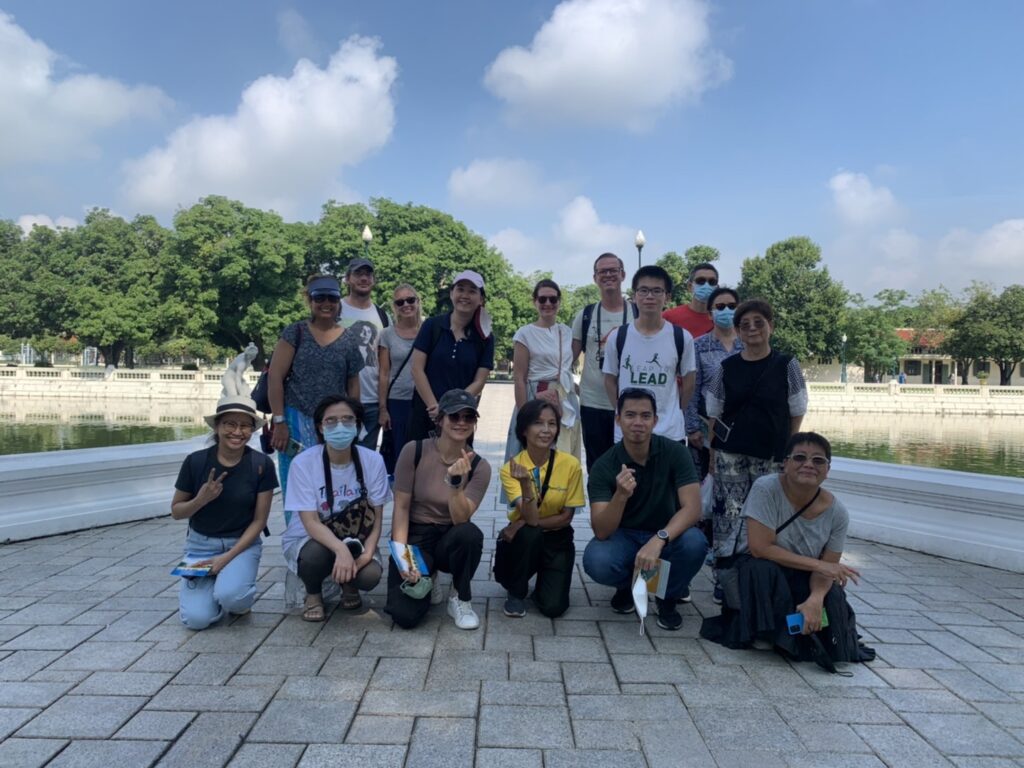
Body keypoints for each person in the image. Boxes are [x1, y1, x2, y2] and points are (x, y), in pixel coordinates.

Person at [700, 433, 874, 667]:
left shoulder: (838, 513)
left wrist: (816, 597)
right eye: (800, 457)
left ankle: (798, 630)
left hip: (800, 572)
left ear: (828, 469)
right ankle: (766, 632)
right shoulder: (766, 488)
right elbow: (760, 548)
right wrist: (820, 565)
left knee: (831, 596)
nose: (809, 465)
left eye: (818, 461)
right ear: (786, 463)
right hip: (758, 568)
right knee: (762, 570)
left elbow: (827, 570)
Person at [582, 389, 708, 631]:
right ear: (618, 419)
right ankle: (631, 586)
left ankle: (666, 595)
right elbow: (601, 530)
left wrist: (659, 539)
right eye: (630, 415)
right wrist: (620, 496)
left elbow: (693, 509)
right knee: (596, 560)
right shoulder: (604, 465)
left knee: (695, 542)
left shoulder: (675, 452)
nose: (638, 423)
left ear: (655, 421)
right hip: (624, 535)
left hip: (666, 534)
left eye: (645, 416)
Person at [705, 299, 808, 562]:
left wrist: (789, 450)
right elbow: (713, 413)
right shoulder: (726, 368)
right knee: (727, 517)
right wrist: (712, 456)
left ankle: (763, 573)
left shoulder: (787, 365)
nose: (752, 329)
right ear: (738, 331)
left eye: (758, 323)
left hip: (771, 455)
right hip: (731, 455)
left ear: (770, 326)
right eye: (745, 325)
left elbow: (797, 409)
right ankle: (726, 575)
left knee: (767, 516)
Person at [387, 389, 492, 630]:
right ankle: (428, 574)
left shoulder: (480, 467)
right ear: (440, 419)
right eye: (454, 416)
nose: (461, 422)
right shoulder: (414, 451)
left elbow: (461, 518)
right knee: (405, 616)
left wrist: (455, 483)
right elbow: (401, 508)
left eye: (469, 417)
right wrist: (405, 560)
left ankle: (459, 596)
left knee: (470, 534)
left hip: (450, 535)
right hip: (416, 536)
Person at [171, 396, 278, 630]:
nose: (237, 432)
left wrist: (225, 559)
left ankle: (231, 591)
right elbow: (177, 512)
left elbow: (259, 521)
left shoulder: (260, 465)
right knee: (196, 621)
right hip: (200, 545)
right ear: (217, 427)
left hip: (241, 546)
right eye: (230, 424)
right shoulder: (196, 462)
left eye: (245, 426)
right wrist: (201, 499)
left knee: (233, 598)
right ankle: (214, 592)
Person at [281, 394, 391, 621]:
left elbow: (377, 516)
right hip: (311, 539)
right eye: (331, 420)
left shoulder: (373, 461)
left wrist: (368, 552)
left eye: (348, 419)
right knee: (315, 556)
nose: (340, 426)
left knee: (369, 575)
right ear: (320, 427)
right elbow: (310, 522)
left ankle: (349, 584)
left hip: (357, 536)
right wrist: (341, 550)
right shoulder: (303, 463)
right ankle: (313, 593)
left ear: (358, 425)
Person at [267, 275, 363, 510]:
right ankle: (299, 538)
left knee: (333, 478)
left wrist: (353, 422)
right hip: (295, 418)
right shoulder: (295, 332)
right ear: (310, 300)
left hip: (333, 422)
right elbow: (275, 377)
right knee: (296, 478)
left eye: (332, 297)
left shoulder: (349, 339)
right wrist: (279, 421)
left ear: (339, 301)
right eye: (319, 298)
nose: (326, 303)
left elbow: (353, 385)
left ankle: (332, 532)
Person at [497, 399, 585, 618]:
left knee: (554, 607)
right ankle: (516, 592)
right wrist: (526, 484)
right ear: (524, 430)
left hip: (557, 538)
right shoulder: (511, 469)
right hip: (525, 538)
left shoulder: (570, 464)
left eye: (552, 424)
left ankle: (544, 582)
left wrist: (518, 523)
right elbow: (532, 521)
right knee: (530, 532)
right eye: (538, 423)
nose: (546, 430)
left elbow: (565, 518)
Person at [602, 265, 696, 444]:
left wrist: (673, 411)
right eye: (643, 290)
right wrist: (623, 413)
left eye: (657, 291)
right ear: (635, 295)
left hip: (669, 434)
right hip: (627, 435)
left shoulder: (682, 337)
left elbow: (689, 382)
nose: (650, 297)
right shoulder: (618, 337)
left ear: (667, 297)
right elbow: (609, 380)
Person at [407, 270, 494, 442]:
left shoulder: (485, 337)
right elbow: (417, 369)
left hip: (460, 418)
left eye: (472, 291)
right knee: (419, 461)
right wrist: (435, 407)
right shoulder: (432, 326)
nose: (465, 295)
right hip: (425, 411)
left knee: (458, 464)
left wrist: (451, 407)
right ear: (451, 293)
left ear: (481, 298)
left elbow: (479, 381)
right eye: (460, 289)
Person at [571, 253, 636, 471]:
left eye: (613, 270)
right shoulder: (586, 315)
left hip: (631, 404)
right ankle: (599, 506)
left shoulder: (637, 313)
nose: (608, 275)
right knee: (598, 467)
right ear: (595, 277)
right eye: (602, 271)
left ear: (623, 274)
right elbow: (568, 358)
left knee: (631, 467)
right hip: (593, 404)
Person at [505, 279, 581, 462]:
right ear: (535, 302)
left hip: (565, 397)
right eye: (542, 299)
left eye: (553, 299)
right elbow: (520, 378)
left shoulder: (566, 331)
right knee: (535, 451)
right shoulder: (525, 334)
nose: (548, 304)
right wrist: (524, 415)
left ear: (559, 302)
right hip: (538, 395)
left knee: (564, 453)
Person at [686, 286, 745, 479]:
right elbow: (692, 389)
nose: (726, 310)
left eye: (731, 306)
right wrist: (692, 428)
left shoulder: (749, 344)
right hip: (705, 430)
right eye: (720, 307)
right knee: (704, 484)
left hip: (743, 429)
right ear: (710, 314)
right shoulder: (698, 345)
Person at [339, 257, 391, 450]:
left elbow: (386, 364)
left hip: (373, 402)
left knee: (365, 460)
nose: (363, 278)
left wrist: (383, 407)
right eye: (358, 274)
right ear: (347, 279)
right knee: (339, 457)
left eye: (368, 274)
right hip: (340, 400)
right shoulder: (336, 309)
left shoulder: (382, 316)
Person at [378, 284, 423, 476]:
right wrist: (383, 409)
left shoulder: (429, 329)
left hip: (423, 400)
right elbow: (384, 373)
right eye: (400, 302)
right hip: (397, 401)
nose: (406, 305)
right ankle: (401, 499)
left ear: (418, 302)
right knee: (400, 456)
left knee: (422, 454)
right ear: (394, 307)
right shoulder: (387, 334)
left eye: (410, 300)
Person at [663, 262, 719, 338]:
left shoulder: (722, 319)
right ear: (689, 286)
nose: (706, 285)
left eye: (712, 282)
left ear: (717, 287)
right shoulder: (668, 317)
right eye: (701, 281)